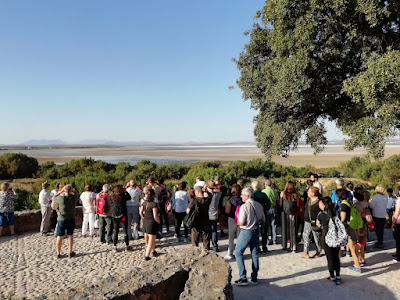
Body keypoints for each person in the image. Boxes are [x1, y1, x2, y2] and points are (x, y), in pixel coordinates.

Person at [234, 188, 265, 285]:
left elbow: (242, 222)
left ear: (247, 195)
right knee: (254, 253)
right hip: (256, 230)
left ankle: (243, 277)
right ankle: (254, 277)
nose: (241, 196)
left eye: (242, 194)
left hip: (246, 231)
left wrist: (237, 221)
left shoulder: (244, 206)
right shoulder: (259, 205)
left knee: (238, 253)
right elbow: (263, 219)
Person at [316, 197, 341, 285]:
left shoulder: (321, 214)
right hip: (336, 237)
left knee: (330, 258)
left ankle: (332, 277)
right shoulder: (336, 212)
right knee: (336, 258)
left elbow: (317, 224)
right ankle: (338, 276)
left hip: (326, 238)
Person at [337, 188, 361, 272]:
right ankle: (357, 266)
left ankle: (337, 262)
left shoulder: (343, 205)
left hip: (345, 228)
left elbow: (342, 218)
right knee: (352, 247)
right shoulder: (349, 203)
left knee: (339, 246)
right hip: (351, 226)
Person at [51, 184, 78, 258]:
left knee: (59, 236)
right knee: (70, 235)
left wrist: (60, 191)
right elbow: (77, 194)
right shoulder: (73, 197)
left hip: (61, 219)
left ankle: (58, 253)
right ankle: (70, 252)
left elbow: (53, 198)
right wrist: (72, 191)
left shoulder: (60, 198)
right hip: (71, 218)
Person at [301, 186, 323, 258]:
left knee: (316, 237)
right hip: (307, 221)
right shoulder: (308, 200)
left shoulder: (319, 201)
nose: (308, 192)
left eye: (309, 191)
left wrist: (319, 219)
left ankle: (318, 251)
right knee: (306, 236)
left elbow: (324, 210)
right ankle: (305, 252)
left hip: (315, 222)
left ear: (313, 193)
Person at [139, 187, 160, 260]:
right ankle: (147, 255)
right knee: (152, 239)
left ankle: (153, 251)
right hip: (152, 221)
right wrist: (158, 221)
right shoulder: (154, 204)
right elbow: (155, 215)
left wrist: (143, 218)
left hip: (145, 220)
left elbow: (140, 212)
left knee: (147, 235)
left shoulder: (143, 202)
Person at [110, 185, 131, 252]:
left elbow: (115, 194)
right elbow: (129, 197)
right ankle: (127, 246)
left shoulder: (112, 196)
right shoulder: (124, 197)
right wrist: (126, 191)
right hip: (123, 215)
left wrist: (113, 190)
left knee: (116, 231)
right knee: (125, 230)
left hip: (114, 215)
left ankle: (114, 246)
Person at [281, 181, 300, 253]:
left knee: (285, 229)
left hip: (285, 213)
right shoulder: (295, 195)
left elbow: (280, 203)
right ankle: (293, 247)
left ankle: (285, 245)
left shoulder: (283, 193)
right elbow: (297, 205)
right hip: (293, 213)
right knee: (293, 230)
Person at [225, 184, 243, 259]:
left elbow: (228, 210)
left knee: (231, 236)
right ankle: (239, 253)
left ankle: (230, 253)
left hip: (232, 219)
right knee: (239, 236)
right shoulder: (242, 199)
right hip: (241, 219)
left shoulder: (231, 200)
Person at [252, 181, 270, 253]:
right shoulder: (263, 194)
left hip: (255, 214)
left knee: (256, 231)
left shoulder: (253, 195)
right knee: (264, 231)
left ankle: (257, 247)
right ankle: (264, 247)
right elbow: (268, 204)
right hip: (264, 213)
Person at [205, 181, 222, 252]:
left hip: (207, 214)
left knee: (207, 231)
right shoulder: (218, 194)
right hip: (214, 214)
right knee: (214, 231)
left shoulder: (206, 195)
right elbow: (219, 190)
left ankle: (207, 245)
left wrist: (206, 188)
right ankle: (215, 246)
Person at [262, 179, 279, 245]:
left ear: (265, 185)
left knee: (267, 225)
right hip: (273, 208)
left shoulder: (263, 191)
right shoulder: (274, 191)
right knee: (273, 224)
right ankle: (274, 239)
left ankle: (268, 239)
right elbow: (277, 201)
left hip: (266, 209)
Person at [392, 194, 400, 262]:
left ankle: (398, 256)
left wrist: (393, 223)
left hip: (399, 223)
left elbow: (397, 213)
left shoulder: (399, 201)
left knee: (398, 240)